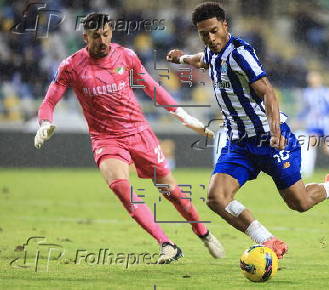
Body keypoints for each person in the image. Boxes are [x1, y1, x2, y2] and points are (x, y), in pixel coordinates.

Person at [34, 13, 224, 264]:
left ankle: (203, 232)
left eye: (105, 34)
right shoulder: (71, 66)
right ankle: (167, 244)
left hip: (139, 133)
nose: (102, 40)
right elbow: (49, 100)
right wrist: (45, 122)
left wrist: (182, 115)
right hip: (106, 139)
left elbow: (151, 87)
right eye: (95, 36)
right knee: (122, 189)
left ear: (111, 32)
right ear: (85, 37)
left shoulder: (126, 56)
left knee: (172, 192)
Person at [167, 2, 329, 259]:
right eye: (203, 34)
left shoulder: (240, 54)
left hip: (269, 138)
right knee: (216, 198)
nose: (210, 38)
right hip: (239, 142)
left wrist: (275, 131)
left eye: (214, 31)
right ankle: (269, 241)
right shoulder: (212, 52)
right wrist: (181, 58)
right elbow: (201, 60)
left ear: (225, 26)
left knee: (300, 203)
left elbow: (268, 91)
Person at [297, 71, 329, 177]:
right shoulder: (307, 92)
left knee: (327, 149)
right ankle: (307, 170)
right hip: (313, 123)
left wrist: (323, 112)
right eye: (310, 77)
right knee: (310, 143)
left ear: (319, 79)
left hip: (325, 123)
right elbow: (306, 108)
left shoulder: (326, 91)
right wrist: (299, 119)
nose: (311, 79)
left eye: (313, 77)